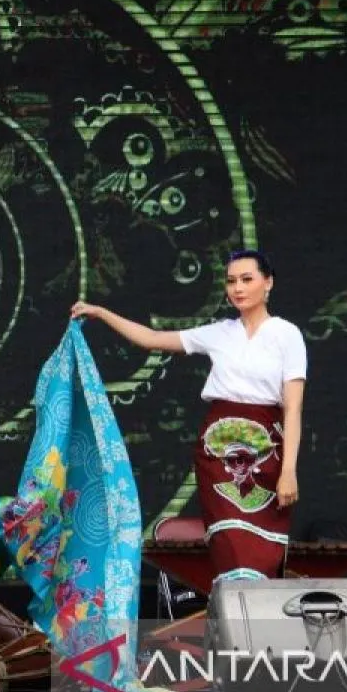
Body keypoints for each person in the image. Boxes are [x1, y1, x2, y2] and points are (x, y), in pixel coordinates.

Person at [71, 249, 305, 584]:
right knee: (230, 542)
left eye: (246, 279)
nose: (238, 288)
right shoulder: (219, 332)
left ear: (268, 283)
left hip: (267, 450)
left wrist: (289, 471)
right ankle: (232, 610)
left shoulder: (287, 334)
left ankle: (253, 612)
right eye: (231, 281)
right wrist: (101, 313)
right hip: (218, 451)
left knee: (261, 549)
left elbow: (293, 408)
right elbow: (152, 339)